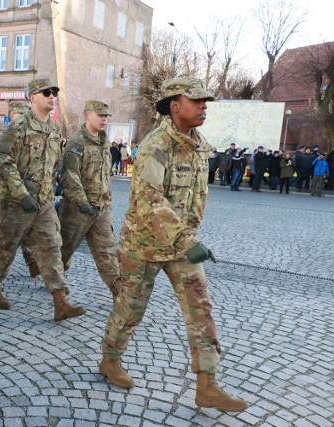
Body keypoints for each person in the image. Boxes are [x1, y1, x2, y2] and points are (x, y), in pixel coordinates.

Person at [99, 77, 248, 412]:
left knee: (201, 311)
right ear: (173, 105)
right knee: (129, 311)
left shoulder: (199, 144)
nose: (203, 106)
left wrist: (186, 239)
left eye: (205, 101)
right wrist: (187, 238)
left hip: (182, 249)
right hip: (144, 246)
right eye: (196, 101)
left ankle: (207, 385)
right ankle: (110, 359)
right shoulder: (156, 146)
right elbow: (148, 200)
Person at [0, 77, 86, 321]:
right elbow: (3, 164)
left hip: (44, 204)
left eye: (54, 92)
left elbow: (54, 164)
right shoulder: (17, 128)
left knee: (52, 246)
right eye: (46, 92)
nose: (52, 96)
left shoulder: (53, 128)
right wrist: (22, 195)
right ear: (33, 98)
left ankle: (60, 301)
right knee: (5, 249)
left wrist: (51, 189)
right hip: (15, 204)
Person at [58, 100, 121, 298]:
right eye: (100, 115)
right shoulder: (76, 143)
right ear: (87, 116)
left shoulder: (104, 142)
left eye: (106, 116)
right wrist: (83, 203)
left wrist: (106, 199)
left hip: (101, 209)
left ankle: (120, 293)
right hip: (77, 210)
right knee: (62, 251)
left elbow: (104, 175)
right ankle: (56, 286)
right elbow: (69, 176)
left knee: (108, 252)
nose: (104, 119)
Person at [0, 100, 40, 277]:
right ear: (13, 115)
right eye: (20, 114)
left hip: (19, 188)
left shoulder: (25, 132)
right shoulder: (7, 134)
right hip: (1, 189)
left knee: (24, 225)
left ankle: (31, 260)